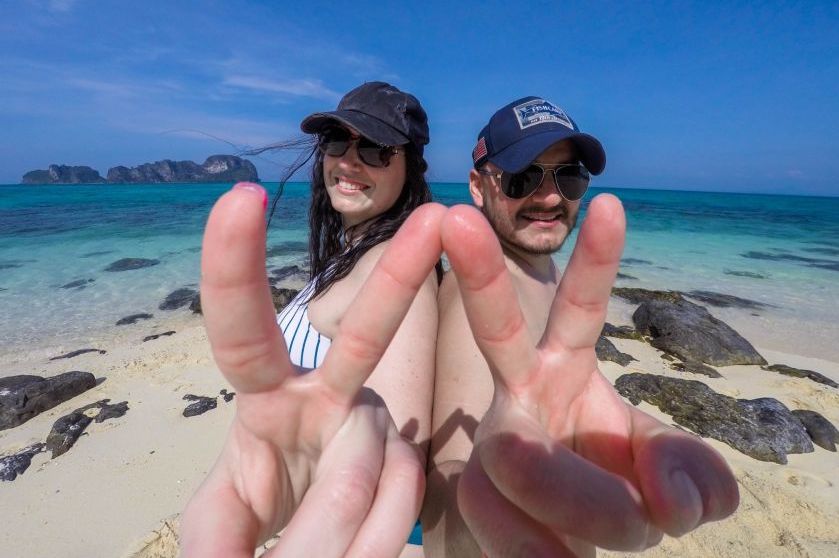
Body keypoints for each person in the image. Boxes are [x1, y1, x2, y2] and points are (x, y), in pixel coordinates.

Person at [423, 97, 740, 557]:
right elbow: (446, 474)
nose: (550, 197)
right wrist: (486, 504)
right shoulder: (477, 294)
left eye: (568, 177)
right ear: (478, 185)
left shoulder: (548, 272)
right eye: (522, 177)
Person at [181, 82, 442, 557]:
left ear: (411, 167)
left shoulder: (395, 272)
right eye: (336, 141)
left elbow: (398, 452)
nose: (348, 160)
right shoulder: (350, 254)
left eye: (376, 149)